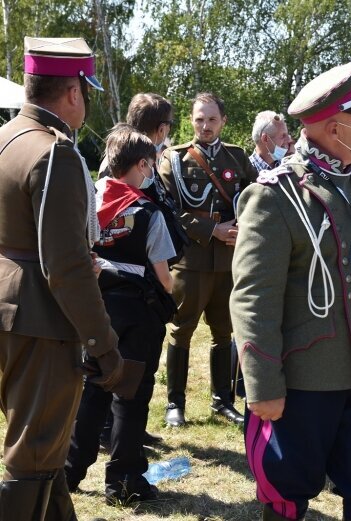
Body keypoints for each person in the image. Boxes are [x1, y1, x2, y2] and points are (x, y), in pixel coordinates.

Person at [230, 61, 351, 521]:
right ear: (335, 127)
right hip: (305, 377)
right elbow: (253, 297)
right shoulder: (275, 195)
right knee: (288, 490)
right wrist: (263, 385)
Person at [0, 36, 128, 519]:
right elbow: (68, 267)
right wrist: (104, 346)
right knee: (32, 455)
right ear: (74, 92)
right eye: (87, 92)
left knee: (43, 448)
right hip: (42, 321)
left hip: (11, 309)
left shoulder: (7, 137)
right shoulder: (56, 154)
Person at [65, 125, 176, 505]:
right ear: (143, 164)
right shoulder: (148, 213)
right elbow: (163, 276)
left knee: (93, 387)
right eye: (151, 164)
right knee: (130, 395)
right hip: (139, 314)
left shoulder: (90, 201)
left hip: (96, 310)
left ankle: (70, 469)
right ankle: (124, 481)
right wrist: (173, 287)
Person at [158, 92, 254, 427]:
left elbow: (255, 200)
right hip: (191, 260)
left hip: (229, 261)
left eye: (212, 119)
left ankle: (222, 401)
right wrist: (212, 229)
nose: (205, 125)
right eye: (199, 119)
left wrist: (242, 227)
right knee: (181, 330)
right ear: (191, 120)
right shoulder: (175, 158)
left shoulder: (237, 158)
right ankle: (175, 404)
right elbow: (168, 209)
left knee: (224, 333)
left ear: (223, 121)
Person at [97, 92, 185, 448]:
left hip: (138, 272)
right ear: (161, 128)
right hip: (132, 280)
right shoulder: (129, 163)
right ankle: (112, 430)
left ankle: (126, 428)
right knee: (125, 362)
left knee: (132, 366)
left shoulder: (135, 156)